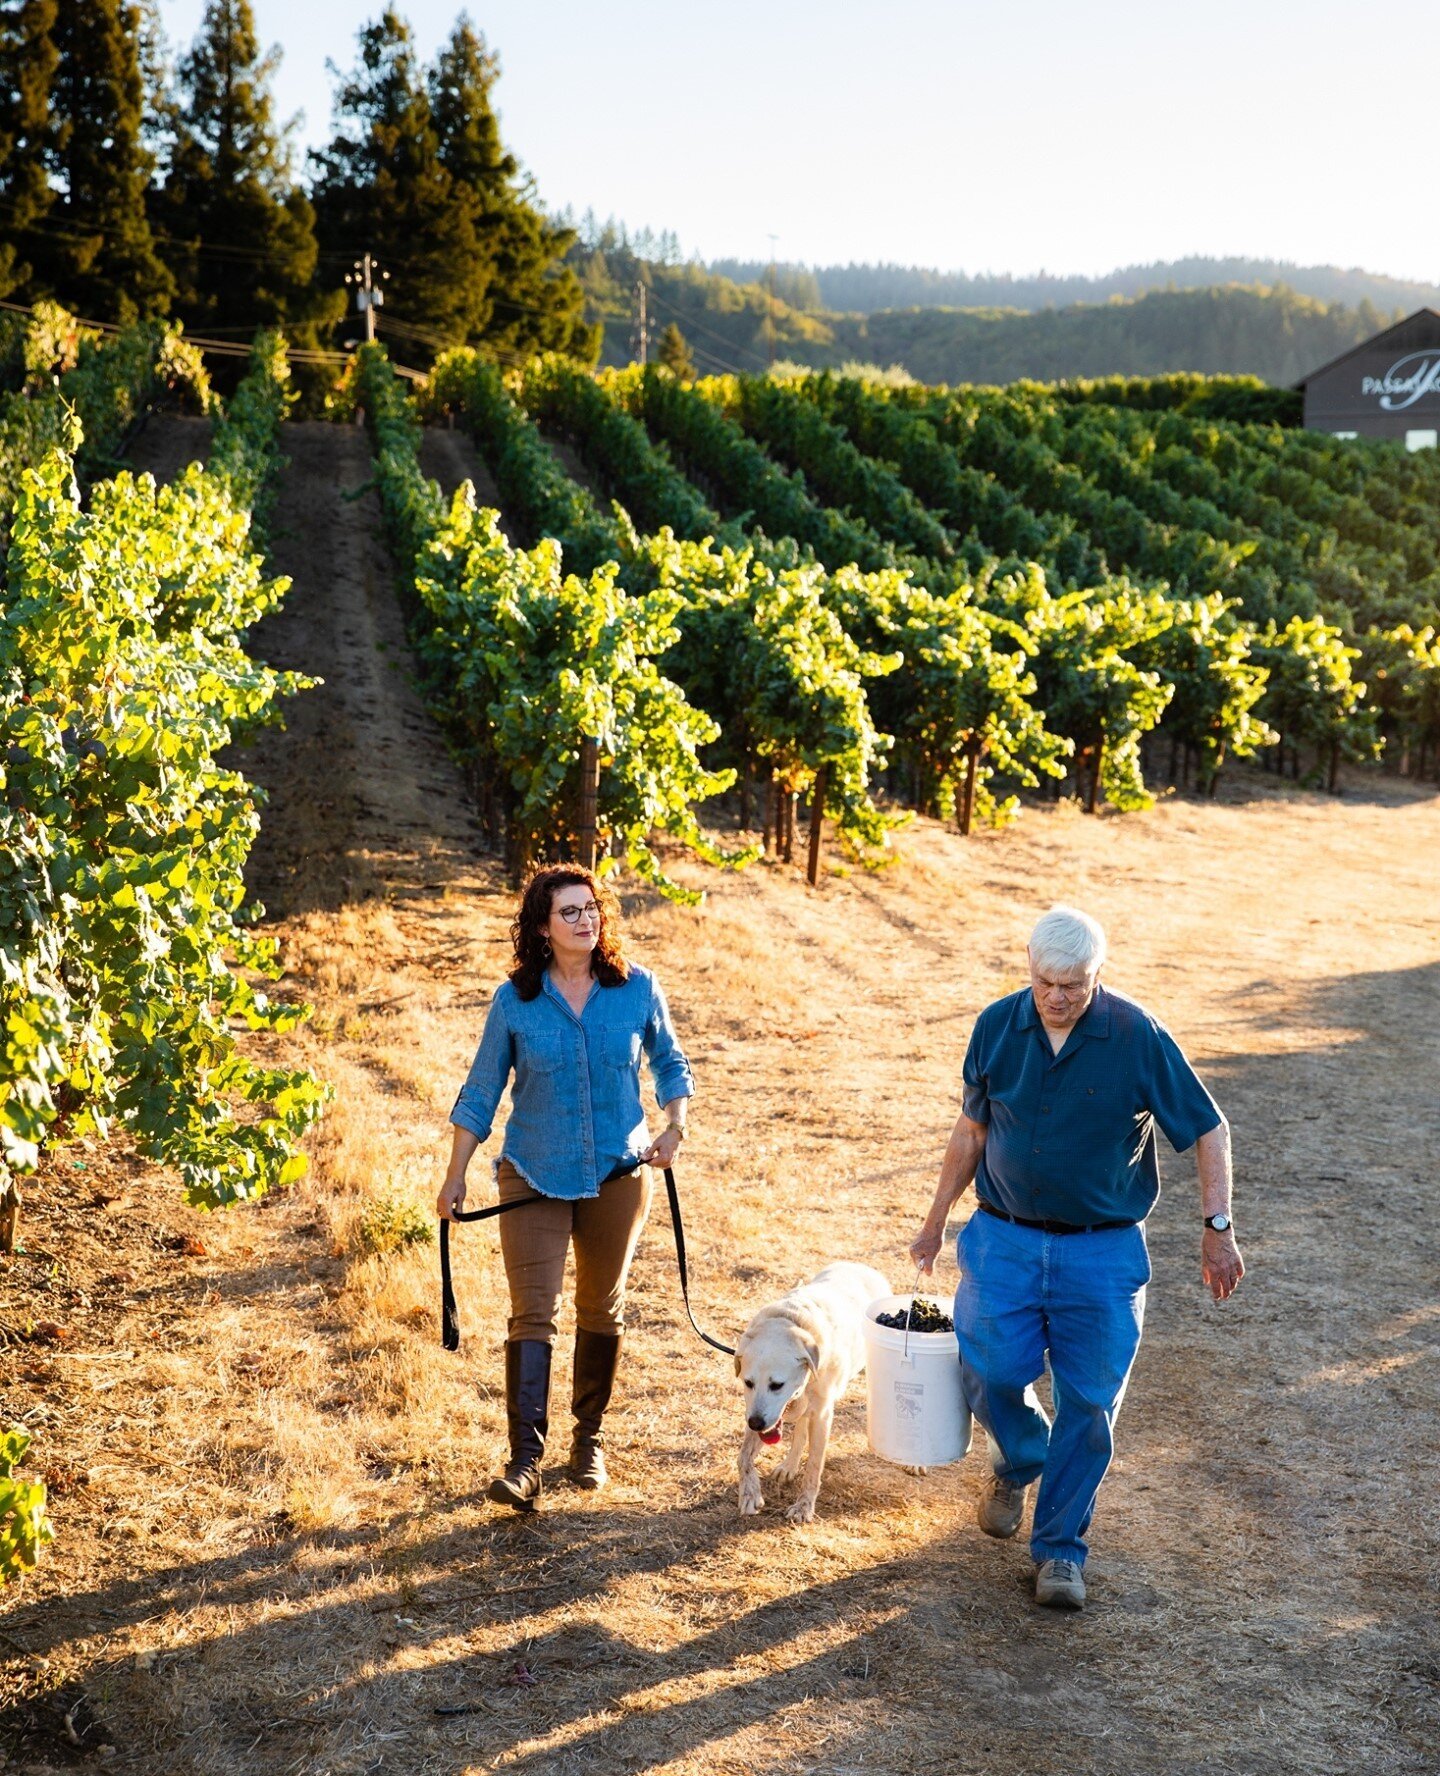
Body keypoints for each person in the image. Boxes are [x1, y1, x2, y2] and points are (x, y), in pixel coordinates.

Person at [909, 905, 1243, 1612]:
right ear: (1027, 968)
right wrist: (935, 1220)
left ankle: (1060, 1550)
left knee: (1089, 1406)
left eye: (1075, 984)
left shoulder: (1136, 1035)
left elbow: (1208, 1130)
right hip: (1004, 1238)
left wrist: (1217, 1226)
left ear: (1100, 974)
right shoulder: (998, 1025)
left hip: (1103, 1251)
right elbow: (971, 1131)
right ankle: (1022, 1455)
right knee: (987, 1364)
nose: (1058, 996)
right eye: (1045, 981)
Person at [437, 866, 694, 1512]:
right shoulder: (514, 1002)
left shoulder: (636, 990)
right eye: (570, 913)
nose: (586, 921)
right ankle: (525, 1462)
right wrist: (454, 1174)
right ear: (542, 929)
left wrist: (675, 1126)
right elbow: (481, 1092)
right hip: (534, 1172)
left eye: (591, 910)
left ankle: (590, 1439)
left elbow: (670, 1063)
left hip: (617, 1173)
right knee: (532, 1313)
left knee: (601, 1308)